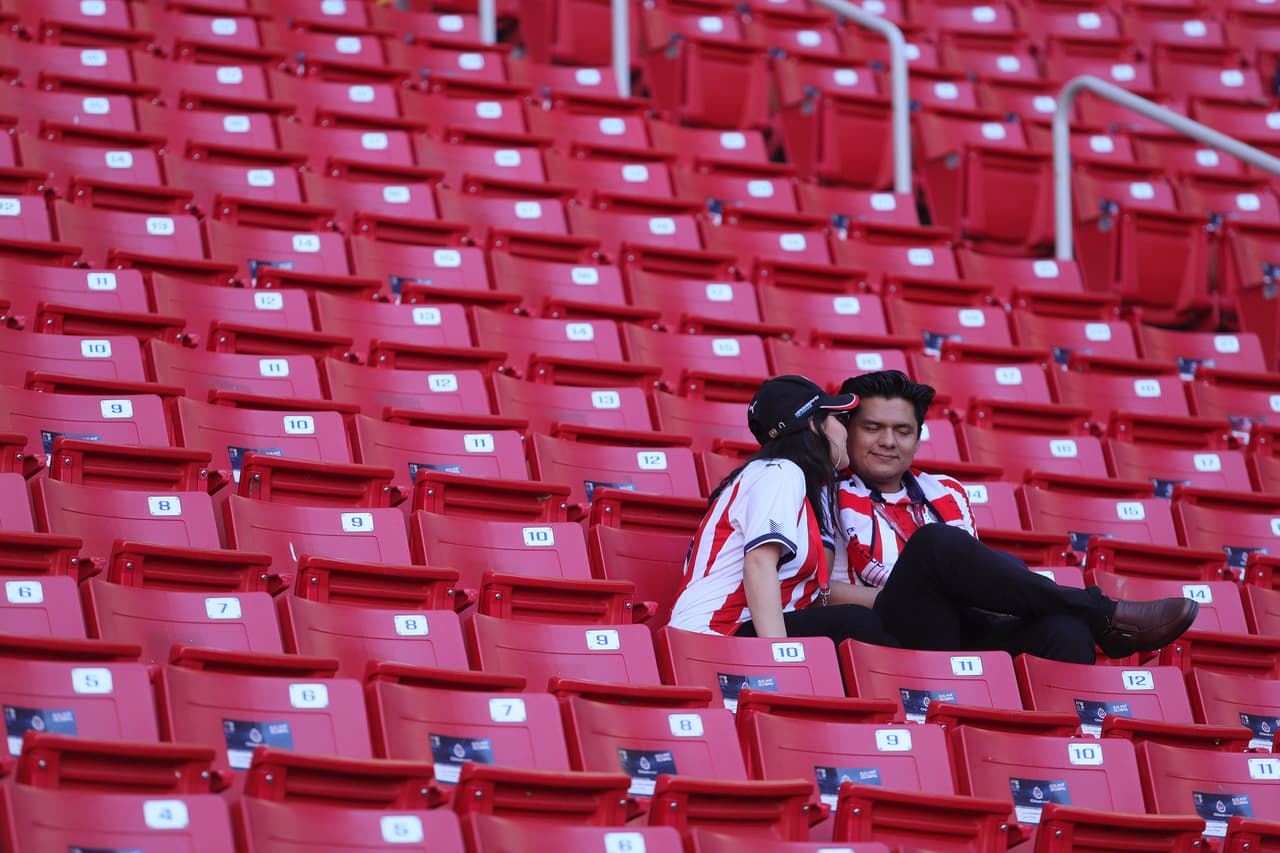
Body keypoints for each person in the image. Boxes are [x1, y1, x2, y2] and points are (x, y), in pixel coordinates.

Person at [833, 369, 1198, 664]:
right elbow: (811, 589)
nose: (888, 441)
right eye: (872, 428)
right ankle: (1104, 613)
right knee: (934, 543)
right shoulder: (820, 492)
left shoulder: (945, 491)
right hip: (886, 630)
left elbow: (969, 577)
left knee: (1064, 630)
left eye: (902, 431)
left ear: (917, 437)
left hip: (960, 626)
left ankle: (1052, 746)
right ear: (847, 430)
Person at [668, 375, 898, 648]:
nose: (847, 431)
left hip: (724, 630)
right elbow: (759, 563)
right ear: (814, 426)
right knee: (856, 623)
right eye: (839, 420)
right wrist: (778, 658)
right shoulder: (780, 472)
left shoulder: (785, 480)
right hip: (713, 632)